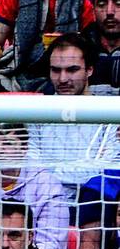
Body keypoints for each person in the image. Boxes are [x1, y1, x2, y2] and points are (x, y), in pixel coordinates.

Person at [27, 33, 117, 191]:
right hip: (45, 201)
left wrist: (54, 173)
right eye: (56, 70)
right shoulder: (36, 113)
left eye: (72, 70)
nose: (62, 79)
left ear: (89, 70)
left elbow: (103, 172)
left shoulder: (109, 114)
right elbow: (32, 170)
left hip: (92, 206)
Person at [87, 0, 120, 91]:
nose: (109, 11)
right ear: (93, 9)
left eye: (118, 3)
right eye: (102, 4)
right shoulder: (81, 48)